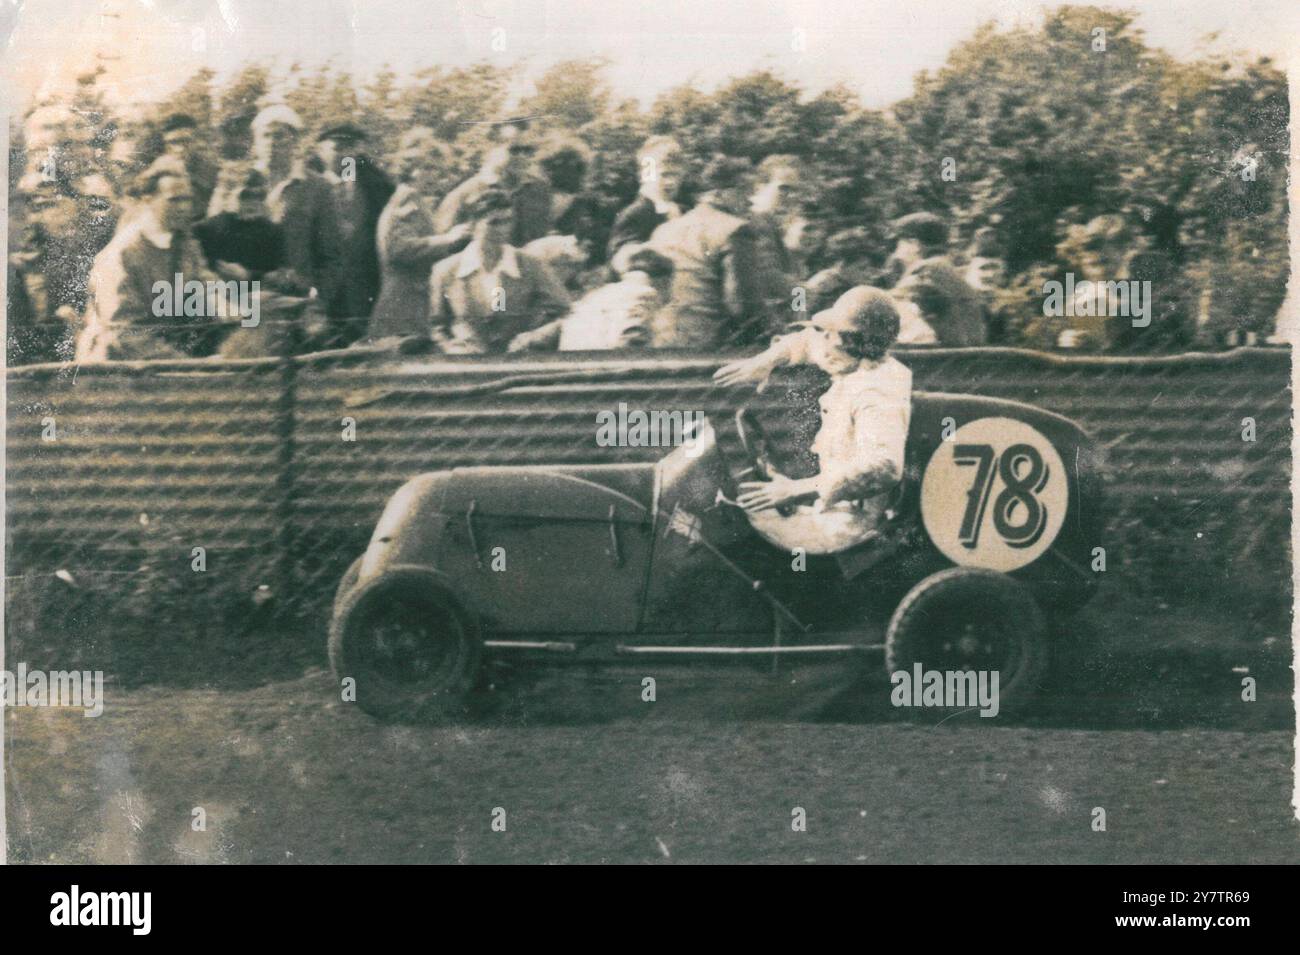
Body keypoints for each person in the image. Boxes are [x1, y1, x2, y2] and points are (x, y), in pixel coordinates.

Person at [713, 286, 912, 553]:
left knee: (731, 539)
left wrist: (795, 490)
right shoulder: (851, 356)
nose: (824, 342)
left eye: (833, 337)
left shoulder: (874, 393)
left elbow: (884, 466)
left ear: (855, 343)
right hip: (832, 509)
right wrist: (763, 362)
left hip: (850, 526)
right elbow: (808, 340)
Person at [77, 158, 232, 361]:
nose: (184, 207)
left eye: (187, 199)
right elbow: (123, 332)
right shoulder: (120, 255)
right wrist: (187, 365)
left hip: (165, 356)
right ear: (148, 199)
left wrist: (223, 305)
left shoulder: (185, 242)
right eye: (174, 200)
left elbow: (203, 282)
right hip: (115, 367)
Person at [427, 188, 570, 353]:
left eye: (508, 221)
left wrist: (536, 336)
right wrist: (452, 348)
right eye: (494, 222)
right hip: (467, 366)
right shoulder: (445, 271)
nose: (502, 229)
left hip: (522, 363)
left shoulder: (531, 266)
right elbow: (437, 328)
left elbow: (565, 312)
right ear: (473, 225)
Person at [644, 154, 765, 348]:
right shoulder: (737, 230)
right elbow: (744, 307)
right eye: (745, 190)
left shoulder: (664, 231)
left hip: (661, 342)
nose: (751, 200)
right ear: (718, 194)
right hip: (714, 347)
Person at [368, 127, 472, 341]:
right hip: (403, 307)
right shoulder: (407, 200)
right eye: (427, 168)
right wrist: (448, 239)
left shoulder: (416, 200)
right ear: (410, 168)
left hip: (413, 305)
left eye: (436, 169)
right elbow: (397, 248)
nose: (434, 175)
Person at [508, 244, 673, 352]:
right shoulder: (644, 294)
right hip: (607, 381)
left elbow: (534, 336)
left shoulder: (596, 295)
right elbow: (632, 337)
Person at [315, 122, 395, 336]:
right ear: (320, 151)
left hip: (366, 281)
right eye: (338, 148)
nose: (345, 155)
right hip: (323, 284)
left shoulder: (376, 185)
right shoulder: (312, 186)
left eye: (350, 148)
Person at [886, 212, 986, 346]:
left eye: (898, 244)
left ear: (914, 245)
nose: (896, 254)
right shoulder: (944, 269)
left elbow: (883, 307)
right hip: (965, 358)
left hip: (946, 361)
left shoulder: (927, 270)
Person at [433, 138, 551, 247]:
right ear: (495, 150)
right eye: (514, 150)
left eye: (528, 151)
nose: (522, 157)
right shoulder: (467, 192)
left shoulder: (539, 189)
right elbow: (442, 236)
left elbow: (541, 233)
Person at [605, 135, 687, 260]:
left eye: (675, 175)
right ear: (647, 175)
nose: (671, 182)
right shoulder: (636, 214)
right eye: (664, 174)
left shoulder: (683, 211)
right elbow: (621, 260)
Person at [193, 169, 285, 279]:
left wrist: (248, 275)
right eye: (246, 196)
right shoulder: (213, 226)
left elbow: (281, 274)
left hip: (259, 291)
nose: (253, 202)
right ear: (234, 195)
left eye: (259, 196)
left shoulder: (273, 231)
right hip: (218, 289)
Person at [159, 113, 218, 220]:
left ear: (195, 140)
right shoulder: (162, 163)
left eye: (185, 141)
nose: (180, 147)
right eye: (173, 142)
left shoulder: (208, 165)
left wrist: (186, 174)